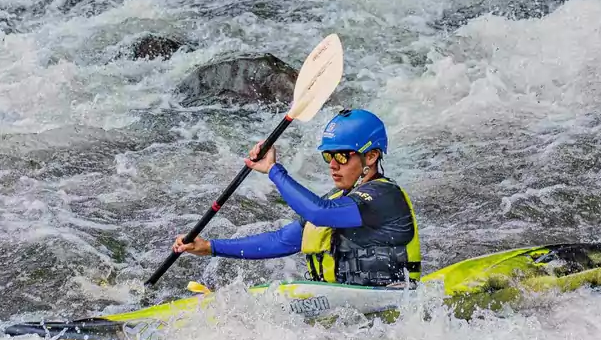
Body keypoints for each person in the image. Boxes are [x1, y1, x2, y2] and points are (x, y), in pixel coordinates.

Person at [172, 109, 421, 288]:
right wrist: (210, 247)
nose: (333, 165)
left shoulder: (384, 197)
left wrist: (273, 170)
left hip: (390, 301)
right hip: (342, 308)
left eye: (343, 156)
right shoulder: (336, 200)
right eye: (328, 157)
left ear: (371, 156)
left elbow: (319, 212)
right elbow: (281, 241)